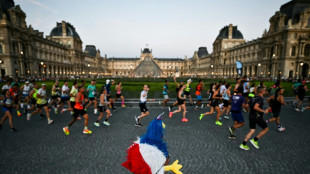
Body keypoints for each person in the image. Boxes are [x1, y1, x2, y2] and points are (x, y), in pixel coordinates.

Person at [239, 86, 269, 151]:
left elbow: (246, 106)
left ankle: (243, 144)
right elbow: (255, 107)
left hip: (251, 116)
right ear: (262, 92)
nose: (265, 91)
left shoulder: (252, 98)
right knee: (266, 129)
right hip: (257, 116)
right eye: (265, 90)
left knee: (252, 130)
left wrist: (247, 110)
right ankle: (255, 140)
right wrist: (263, 111)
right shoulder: (260, 99)